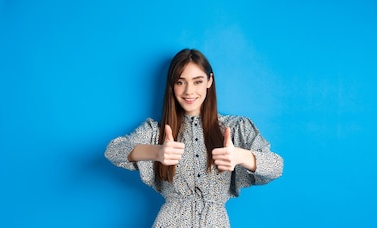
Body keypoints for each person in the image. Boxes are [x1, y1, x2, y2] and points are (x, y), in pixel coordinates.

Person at [105, 48, 283, 227]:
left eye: (197, 81)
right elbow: (113, 150)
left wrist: (240, 156)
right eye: (180, 82)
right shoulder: (156, 131)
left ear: (209, 81)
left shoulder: (236, 127)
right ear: (172, 85)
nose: (189, 91)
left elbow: (276, 166)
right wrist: (155, 152)